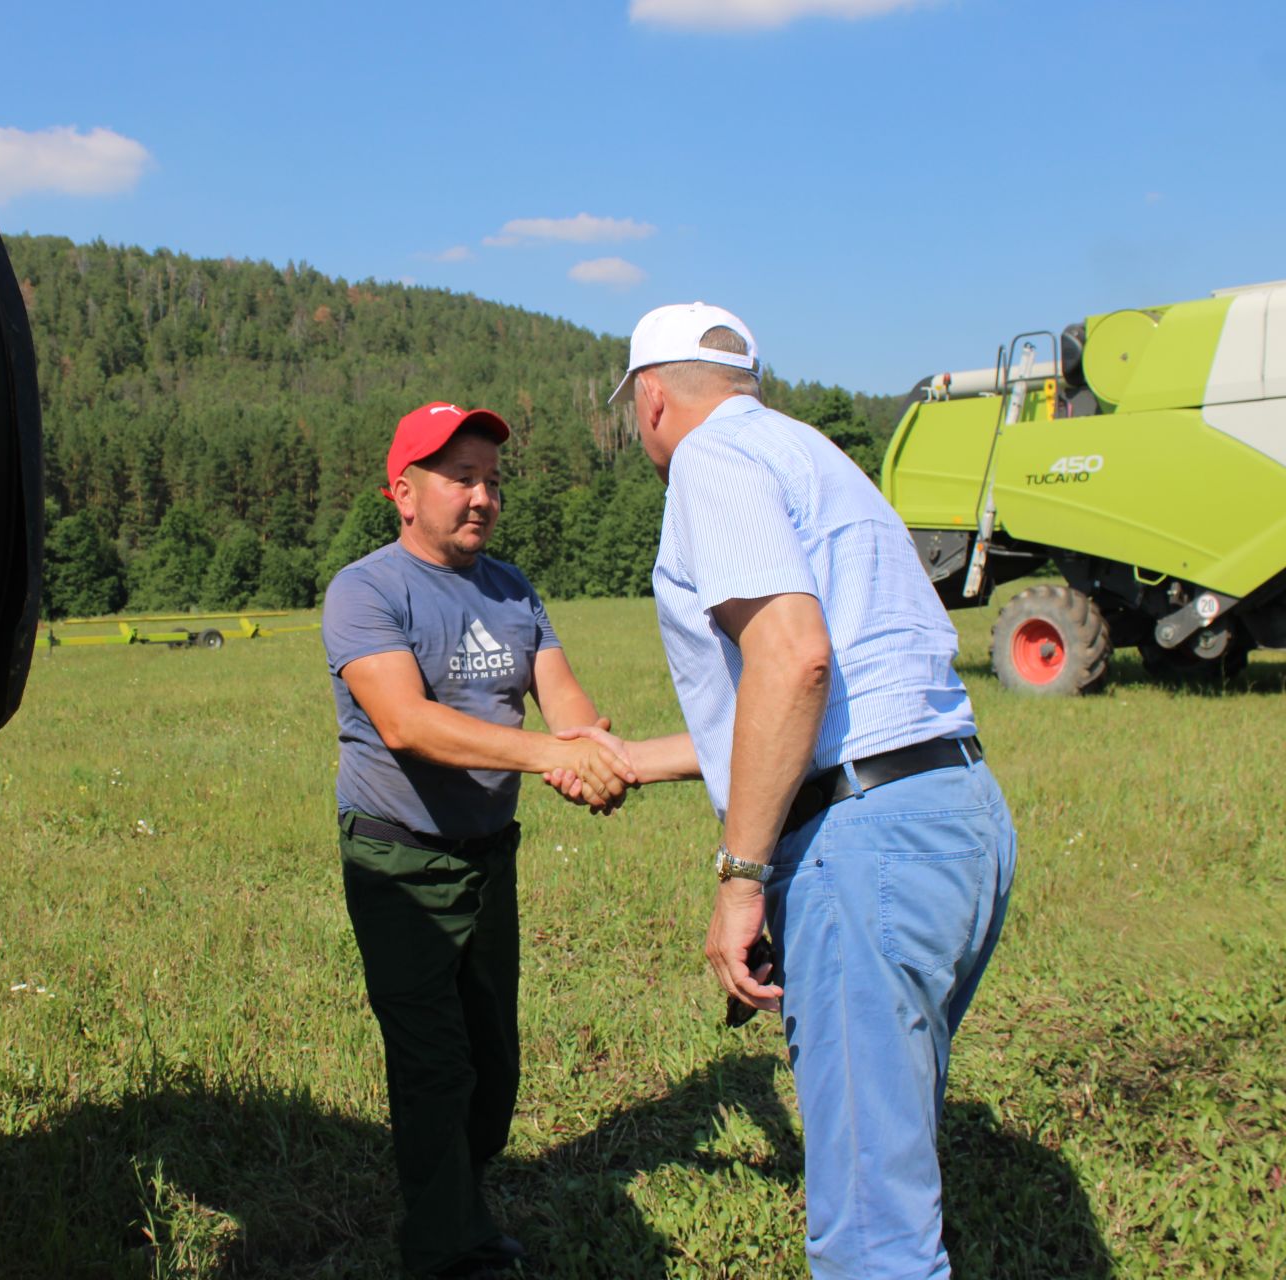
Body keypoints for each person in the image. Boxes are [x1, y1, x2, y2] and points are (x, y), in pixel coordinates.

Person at [555, 303, 1018, 1277]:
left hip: (865, 842)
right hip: (952, 809)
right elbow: (809, 697)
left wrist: (740, 874)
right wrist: (634, 756)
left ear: (651, 400)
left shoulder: (710, 467)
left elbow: (795, 662)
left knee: (870, 1230)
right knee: (890, 1147)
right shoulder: (808, 455)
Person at [322, 400, 635, 1278]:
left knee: (493, 1067)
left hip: (490, 858)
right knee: (434, 1066)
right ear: (404, 491)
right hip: (399, 861)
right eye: (460, 476)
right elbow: (407, 723)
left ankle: (460, 1194)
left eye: (492, 480)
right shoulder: (367, 589)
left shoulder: (513, 588)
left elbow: (562, 695)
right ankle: (447, 1249)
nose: (482, 496)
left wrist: (587, 750)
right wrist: (549, 755)